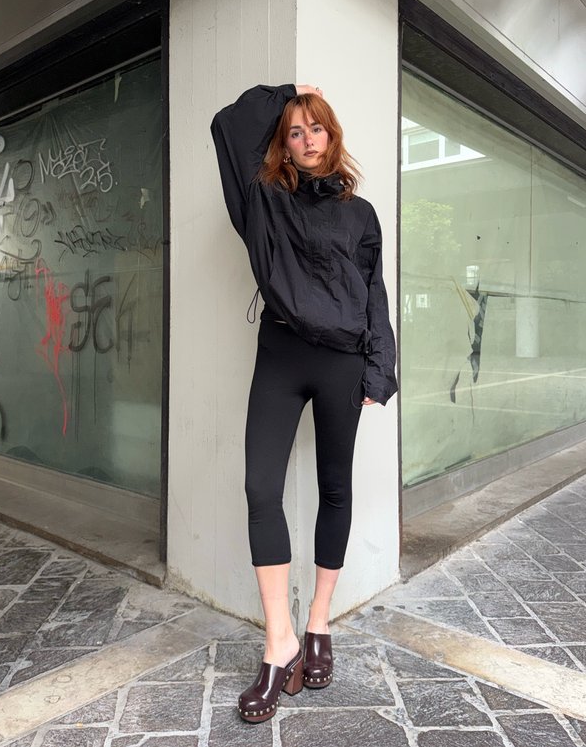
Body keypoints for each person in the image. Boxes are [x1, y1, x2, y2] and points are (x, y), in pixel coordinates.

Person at [211, 83, 397, 723]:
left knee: (334, 488)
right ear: (282, 143)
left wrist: (379, 370)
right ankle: (279, 642)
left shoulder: (361, 214)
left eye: (317, 126)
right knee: (260, 488)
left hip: (343, 361)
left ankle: (318, 624)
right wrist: (290, 93)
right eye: (295, 129)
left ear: (332, 134)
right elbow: (230, 124)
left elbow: (374, 294)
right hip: (282, 355)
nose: (308, 137)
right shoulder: (262, 204)